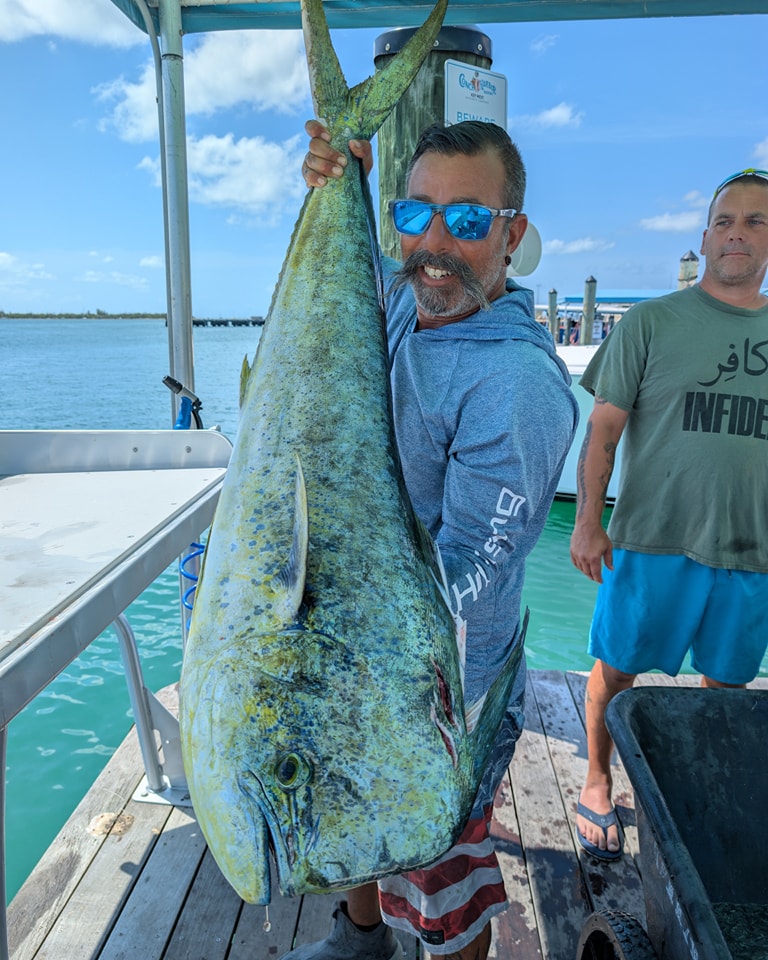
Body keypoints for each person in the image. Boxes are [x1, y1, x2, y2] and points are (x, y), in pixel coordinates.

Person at [281, 120, 578, 960]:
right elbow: (337, 288)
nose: (436, 245)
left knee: (439, 872)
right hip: (357, 641)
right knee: (349, 814)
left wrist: (338, 629)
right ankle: (360, 936)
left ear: (513, 234)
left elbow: (471, 577)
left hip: (443, 690)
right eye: (417, 216)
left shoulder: (514, 384)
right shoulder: (411, 297)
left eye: (469, 221)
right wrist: (337, 184)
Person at [570, 168, 768, 861]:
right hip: (653, 541)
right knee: (616, 669)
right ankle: (597, 778)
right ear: (704, 237)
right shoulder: (652, 322)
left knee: (728, 684)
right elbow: (603, 429)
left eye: (755, 221)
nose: (737, 233)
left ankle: (702, 795)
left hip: (751, 553)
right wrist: (588, 520)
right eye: (725, 221)